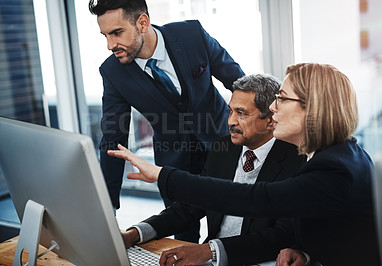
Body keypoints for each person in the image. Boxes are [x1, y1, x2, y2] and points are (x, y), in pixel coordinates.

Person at [108, 63, 380, 266]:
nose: (274, 109)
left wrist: (161, 175)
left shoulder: (332, 168)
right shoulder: (335, 157)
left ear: (314, 110)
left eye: (282, 99)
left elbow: (255, 200)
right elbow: (331, 232)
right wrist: (306, 255)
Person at [88, 0, 244, 243]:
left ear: (142, 23)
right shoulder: (113, 72)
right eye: (105, 35)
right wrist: (107, 210)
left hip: (224, 147)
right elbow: (112, 138)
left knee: (228, 224)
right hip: (173, 163)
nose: (110, 45)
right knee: (183, 236)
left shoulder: (191, 34)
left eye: (117, 33)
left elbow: (239, 83)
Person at [120, 74, 305, 266]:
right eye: (230, 111)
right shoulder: (223, 149)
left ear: (270, 120)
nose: (231, 121)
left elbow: (282, 234)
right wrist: (134, 234)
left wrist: (210, 250)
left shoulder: (297, 159)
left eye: (241, 113)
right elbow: (189, 207)